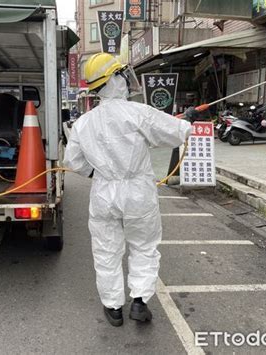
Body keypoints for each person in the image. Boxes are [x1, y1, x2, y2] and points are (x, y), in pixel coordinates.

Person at [63, 53, 192, 327]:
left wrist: (98, 173)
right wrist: (188, 120)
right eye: (122, 75)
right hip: (138, 192)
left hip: (104, 193)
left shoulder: (83, 123)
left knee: (106, 250)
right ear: (114, 80)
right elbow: (176, 132)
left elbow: (73, 161)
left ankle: (113, 308)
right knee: (143, 247)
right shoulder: (139, 113)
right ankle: (140, 303)